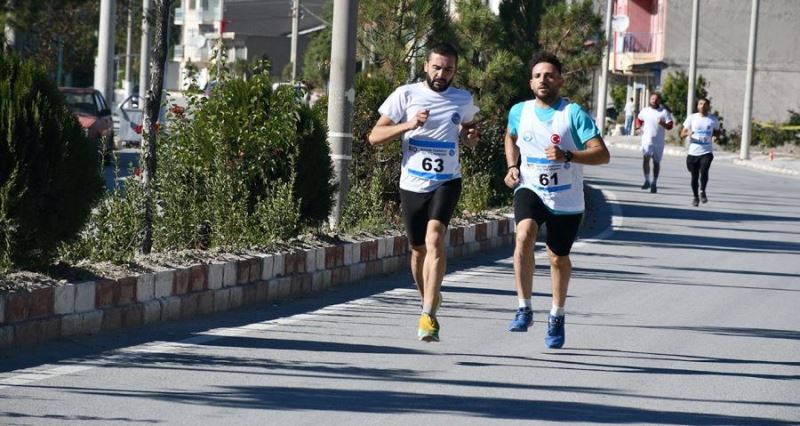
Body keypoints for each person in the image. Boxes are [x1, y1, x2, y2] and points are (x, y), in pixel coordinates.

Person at [368, 43, 479, 342]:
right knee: (417, 251)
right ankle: (428, 298)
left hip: (447, 181)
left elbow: (470, 134)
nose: (442, 74)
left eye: (449, 69)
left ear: (455, 70)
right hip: (413, 183)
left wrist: (470, 137)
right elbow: (375, 136)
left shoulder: (462, 99)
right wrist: (408, 124)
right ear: (426, 66)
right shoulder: (406, 95)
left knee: (435, 238)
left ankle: (428, 313)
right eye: (437, 67)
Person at [503, 52, 610, 349]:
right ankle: (524, 307)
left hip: (566, 198)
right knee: (523, 235)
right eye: (537, 75)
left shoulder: (573, 114)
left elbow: (602, 154)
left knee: (557, 257)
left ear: (560, 81)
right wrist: (512, 167)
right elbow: (510, 137)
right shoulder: (519, 111)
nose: (543, 80)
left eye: (549, 75)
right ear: (530, 82)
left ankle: (556, 315)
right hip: (530, 188)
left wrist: (569, 155)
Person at [681, 98, 720, 207]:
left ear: (708, 106)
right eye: (700, 104)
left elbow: (717, 132)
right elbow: (682, 133)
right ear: (697, 106)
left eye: (705, 104)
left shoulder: (713, 119)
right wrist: (687, 132)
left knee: (704, 171)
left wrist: (715, 137)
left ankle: (702, 191)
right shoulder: (692, 118)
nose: (702, 106)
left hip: (706, 151)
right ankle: (695, 197)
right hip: (693, 152)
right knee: (694, 176)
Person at [635, 92, 673, 193]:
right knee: (646, 158)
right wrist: (638, 128)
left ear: (659, 101)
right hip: (647, 139)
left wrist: (662, 123)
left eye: (656, 99)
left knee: (656, 162)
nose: (654, 101)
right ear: (650, 100)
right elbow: (639, 119)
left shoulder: (664, 112)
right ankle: (647, 180)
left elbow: (670, 126)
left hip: (658, 141)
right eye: (652, 99)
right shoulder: (645, 111)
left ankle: (654, 183)